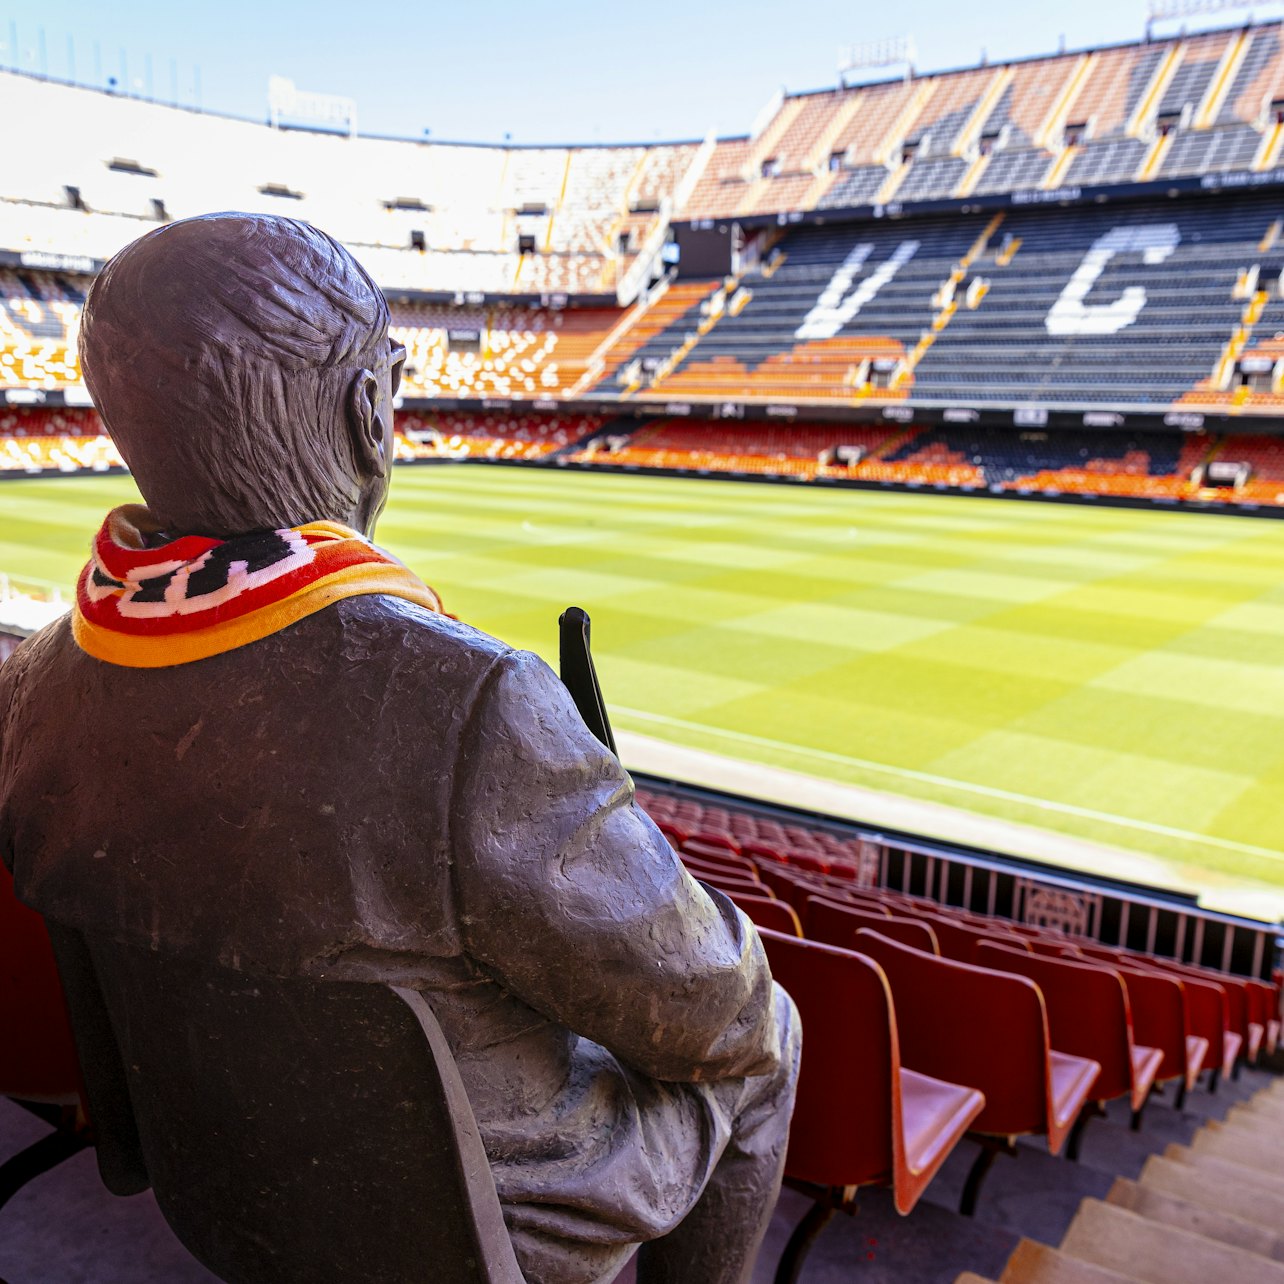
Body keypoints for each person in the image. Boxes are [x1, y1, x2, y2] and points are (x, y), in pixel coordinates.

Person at [0, 213, 799, 1284]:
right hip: (469, 1235)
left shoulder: (28, 686)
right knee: (774, 1039)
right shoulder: (474, 705)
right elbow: (723, 1021)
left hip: (222, 1197)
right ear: (366, 411)